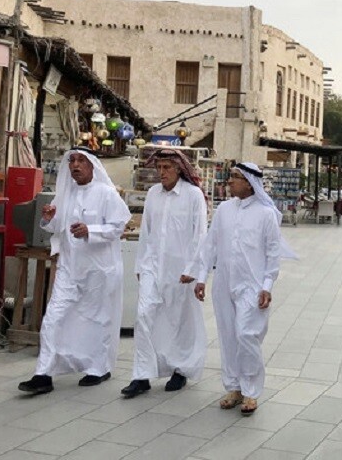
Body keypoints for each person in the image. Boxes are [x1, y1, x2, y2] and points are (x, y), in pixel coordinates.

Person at [186, 162, 296, 416]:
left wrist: (267, 285)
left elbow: (272, 253)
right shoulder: (224, 209)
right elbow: (210, 245)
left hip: (253, 286)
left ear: (249, 182)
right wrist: (201, 278)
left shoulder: (266, 214)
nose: (229, 181)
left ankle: (251, 391)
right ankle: (234, 388)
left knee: (247, 334)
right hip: (224, 283)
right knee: (227, 335)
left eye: (234, 177)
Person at [19, 147, 131, 395]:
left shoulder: (106, 193)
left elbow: (118, 226)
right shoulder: (65, 194)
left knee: (99, 319)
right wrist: (48, 218)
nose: (75, 165)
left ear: (92, 165)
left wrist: (91, 231)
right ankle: (43, 374)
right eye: (72, 160)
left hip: (99, 271)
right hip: (69, 270)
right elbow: (55, 227)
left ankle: (99, 368)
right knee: (53, 318)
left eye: (81, 160)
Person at [122, 149, 208, 398]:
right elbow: (146, 232)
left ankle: (179, 369)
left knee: (178, 320)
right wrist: (140, 265)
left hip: (181, 271)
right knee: (144, 316)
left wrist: (192, 268)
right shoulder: (152, 194)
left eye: (167, 168)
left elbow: (199, 234)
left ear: (179, 169)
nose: (162, 173)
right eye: (159, 168)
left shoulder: (193, 196)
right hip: (152, 267)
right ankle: (141, 375)